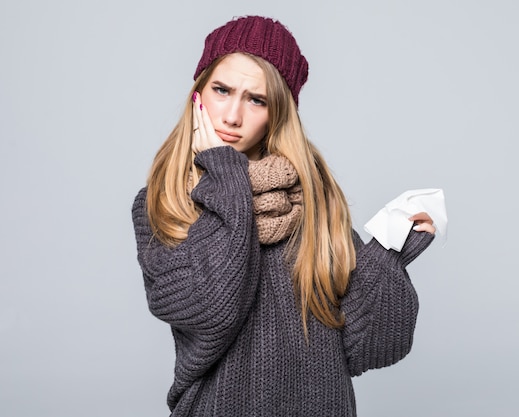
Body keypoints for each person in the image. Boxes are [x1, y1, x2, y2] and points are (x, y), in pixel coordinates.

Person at [132, 15, 435, 417]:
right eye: (222, 90)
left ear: (278, 112)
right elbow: (210, 313)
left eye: (256, 99)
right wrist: (226, 177)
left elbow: (370, 347)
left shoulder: (314, 199)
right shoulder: (165, 202)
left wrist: (389, 252)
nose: (233, 116)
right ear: (198, 94)